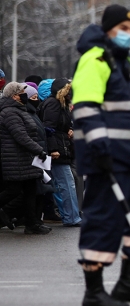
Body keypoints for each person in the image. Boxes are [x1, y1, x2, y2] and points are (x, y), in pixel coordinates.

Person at [71, 5, 130, 306]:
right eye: (123, 28)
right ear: (109, 28)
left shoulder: (123, 61)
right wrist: (100, 147)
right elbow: (85, 107)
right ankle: (94, 292)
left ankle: (127, 282)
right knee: (102, 220)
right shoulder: (94, 59)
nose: (128, 34)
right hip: (105, 158)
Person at [0, 82, 51, 234]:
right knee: (14, 190)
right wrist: (39, 150)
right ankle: (31, 223)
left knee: (30, 190)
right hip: (15, 158)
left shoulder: (19, 110)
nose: (24, 94)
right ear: (14, 96)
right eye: (22, 92)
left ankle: (32, 224)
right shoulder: (9, 112)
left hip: (25, 157)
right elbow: (20, 136)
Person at [39, 78, 82, 227]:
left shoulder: (58, 104)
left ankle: (70, 215)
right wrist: (53, 149)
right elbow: (48, 128)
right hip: (58, 149)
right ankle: (72, 217)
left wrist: (67, 130)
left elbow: (55, 126)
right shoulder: (54, 104)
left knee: (62, 185)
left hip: (60, 147)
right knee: (67, 184)